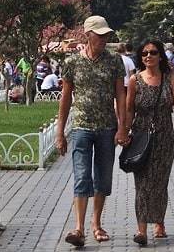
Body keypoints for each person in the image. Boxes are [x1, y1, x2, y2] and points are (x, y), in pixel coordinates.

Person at [56, 15, 128, 248]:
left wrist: (122, 126)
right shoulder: (72, 62)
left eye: (106, 35)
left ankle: (96, 224)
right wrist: (60, 132)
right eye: (99, 35)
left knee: (103, 177)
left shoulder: (114, 60)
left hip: (107, 127)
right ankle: (78, 227)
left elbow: (120, 95)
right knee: (81, 175)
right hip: (81, 127)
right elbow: (65, 98)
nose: (104, 39)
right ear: (87, 35)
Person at [127, 39, 174, 245]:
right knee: (142, 184)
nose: (148, 56)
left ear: (160, 56)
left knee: (159, 182)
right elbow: (129, 109)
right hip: (141, 136)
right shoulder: (135, 79)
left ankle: (159, 221)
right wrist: (123, 131)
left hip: (164, 136)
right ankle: (141, 229)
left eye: (153, 52)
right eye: (145, 53)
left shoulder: (169, 77)